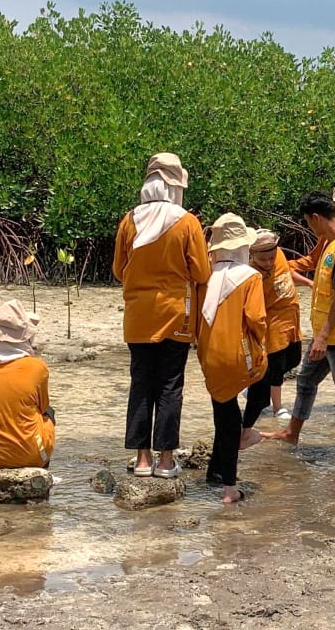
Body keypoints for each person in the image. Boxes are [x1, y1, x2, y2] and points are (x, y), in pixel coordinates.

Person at [112, 153, 212, 479]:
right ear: (175, 186)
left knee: (141, 384)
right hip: (175, 314)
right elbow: (200, 271)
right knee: (170, 385)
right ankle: (166, 460)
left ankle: (142, 460)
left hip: (137, 316)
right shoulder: (187, 222)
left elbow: (117, 269)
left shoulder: (129, 221)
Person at [263, 191, 335, 445]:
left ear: (316, 218)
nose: (309, 226)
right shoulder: (331, 243)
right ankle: (292, 433)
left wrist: (322, 336)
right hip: (328, 335)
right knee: (306, 380)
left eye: (308, 222)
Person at [197, 214, 268, 503]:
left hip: (208, 355)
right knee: (264, 380)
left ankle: (217, 471)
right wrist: (260, 343)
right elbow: (257, 318)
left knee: (223, 416)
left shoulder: (206, 277)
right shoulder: (251, 277)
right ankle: (230, 486)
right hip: (237, 355)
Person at [0, 300, 56, 470]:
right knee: (48, 413)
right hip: (32, 455)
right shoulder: (37, 367)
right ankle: (41, 479)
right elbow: (43, 406)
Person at [241, 229, 302, 441]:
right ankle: (246, 429)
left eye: (271, 258)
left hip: (292, 321)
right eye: (262, 259)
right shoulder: (251, 275)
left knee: (295, 359)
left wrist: (311, 283)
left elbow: (287, 274)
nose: (268, 263)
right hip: (271, 328)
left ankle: (256, 385)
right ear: (252, 255)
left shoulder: (281, 257)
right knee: (270, 378)